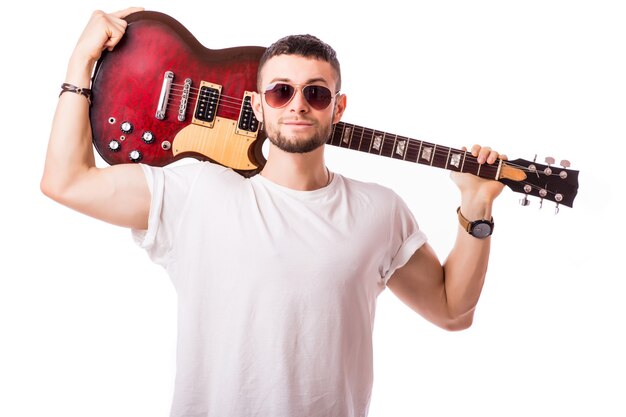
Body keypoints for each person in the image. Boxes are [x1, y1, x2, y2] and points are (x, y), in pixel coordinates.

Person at [41, 7, 506, 417]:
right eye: (281, 92)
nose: (298, 105)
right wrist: (79, 63)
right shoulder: (195, 191)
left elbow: (451, 311)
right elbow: (66, 181)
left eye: (316, 94)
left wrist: (476, 208)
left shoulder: (379, 210)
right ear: (258, 105)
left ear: (337, 109)